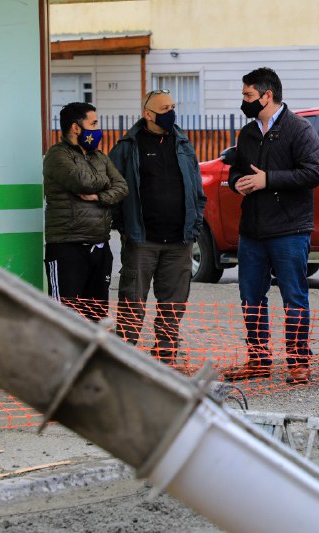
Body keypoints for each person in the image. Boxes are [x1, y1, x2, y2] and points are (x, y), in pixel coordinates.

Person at [222, 67, 319, 385]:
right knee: (251, 296)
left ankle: (298, 361)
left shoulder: (300, 129)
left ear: (267, 95)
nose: (244, 100)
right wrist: (237, 183)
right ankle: (258, 359)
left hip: (290, 230)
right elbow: (235, 171)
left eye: (248, 95)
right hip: (252, 231)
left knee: (294, 296)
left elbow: (313, 173)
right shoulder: (247, 133)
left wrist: (268, 179)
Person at [108, 90, 206, 364]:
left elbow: (196, 188)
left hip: (179, 241)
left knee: (173, 304)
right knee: (132, 302)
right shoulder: (128, 146)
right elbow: (113, 187)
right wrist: (124, 227)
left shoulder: (183, 143)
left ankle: (166, 355)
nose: (171, 112)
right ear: (147, 114)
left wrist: (195, 225)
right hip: (142, 241)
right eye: (164, 108)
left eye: (173, 106)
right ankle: (124, 359)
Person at [43, 102, 128, 321]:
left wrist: (100, 196)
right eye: (94, 123)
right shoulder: (57, 155)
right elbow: (82, 182)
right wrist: (106, 182)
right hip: (67, 248)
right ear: (76, 128)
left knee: (96, 317)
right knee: (65, 318)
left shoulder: (99, 157)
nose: (98, 129)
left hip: (99, 246)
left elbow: (122, 187)